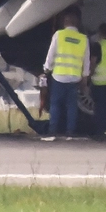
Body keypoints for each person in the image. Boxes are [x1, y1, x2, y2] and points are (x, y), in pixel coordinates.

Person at [42, 10, 89, 139]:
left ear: (65, 22)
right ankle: (70, 131)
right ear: (77, 24)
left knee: (55, 104)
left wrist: (46, 69)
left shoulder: (59, 35)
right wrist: (85, 77)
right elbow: (86, 60)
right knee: (72, 106)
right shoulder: (83, 39)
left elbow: (51, 55)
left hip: (59, 76)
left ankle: (53, 130)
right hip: (74, 78)